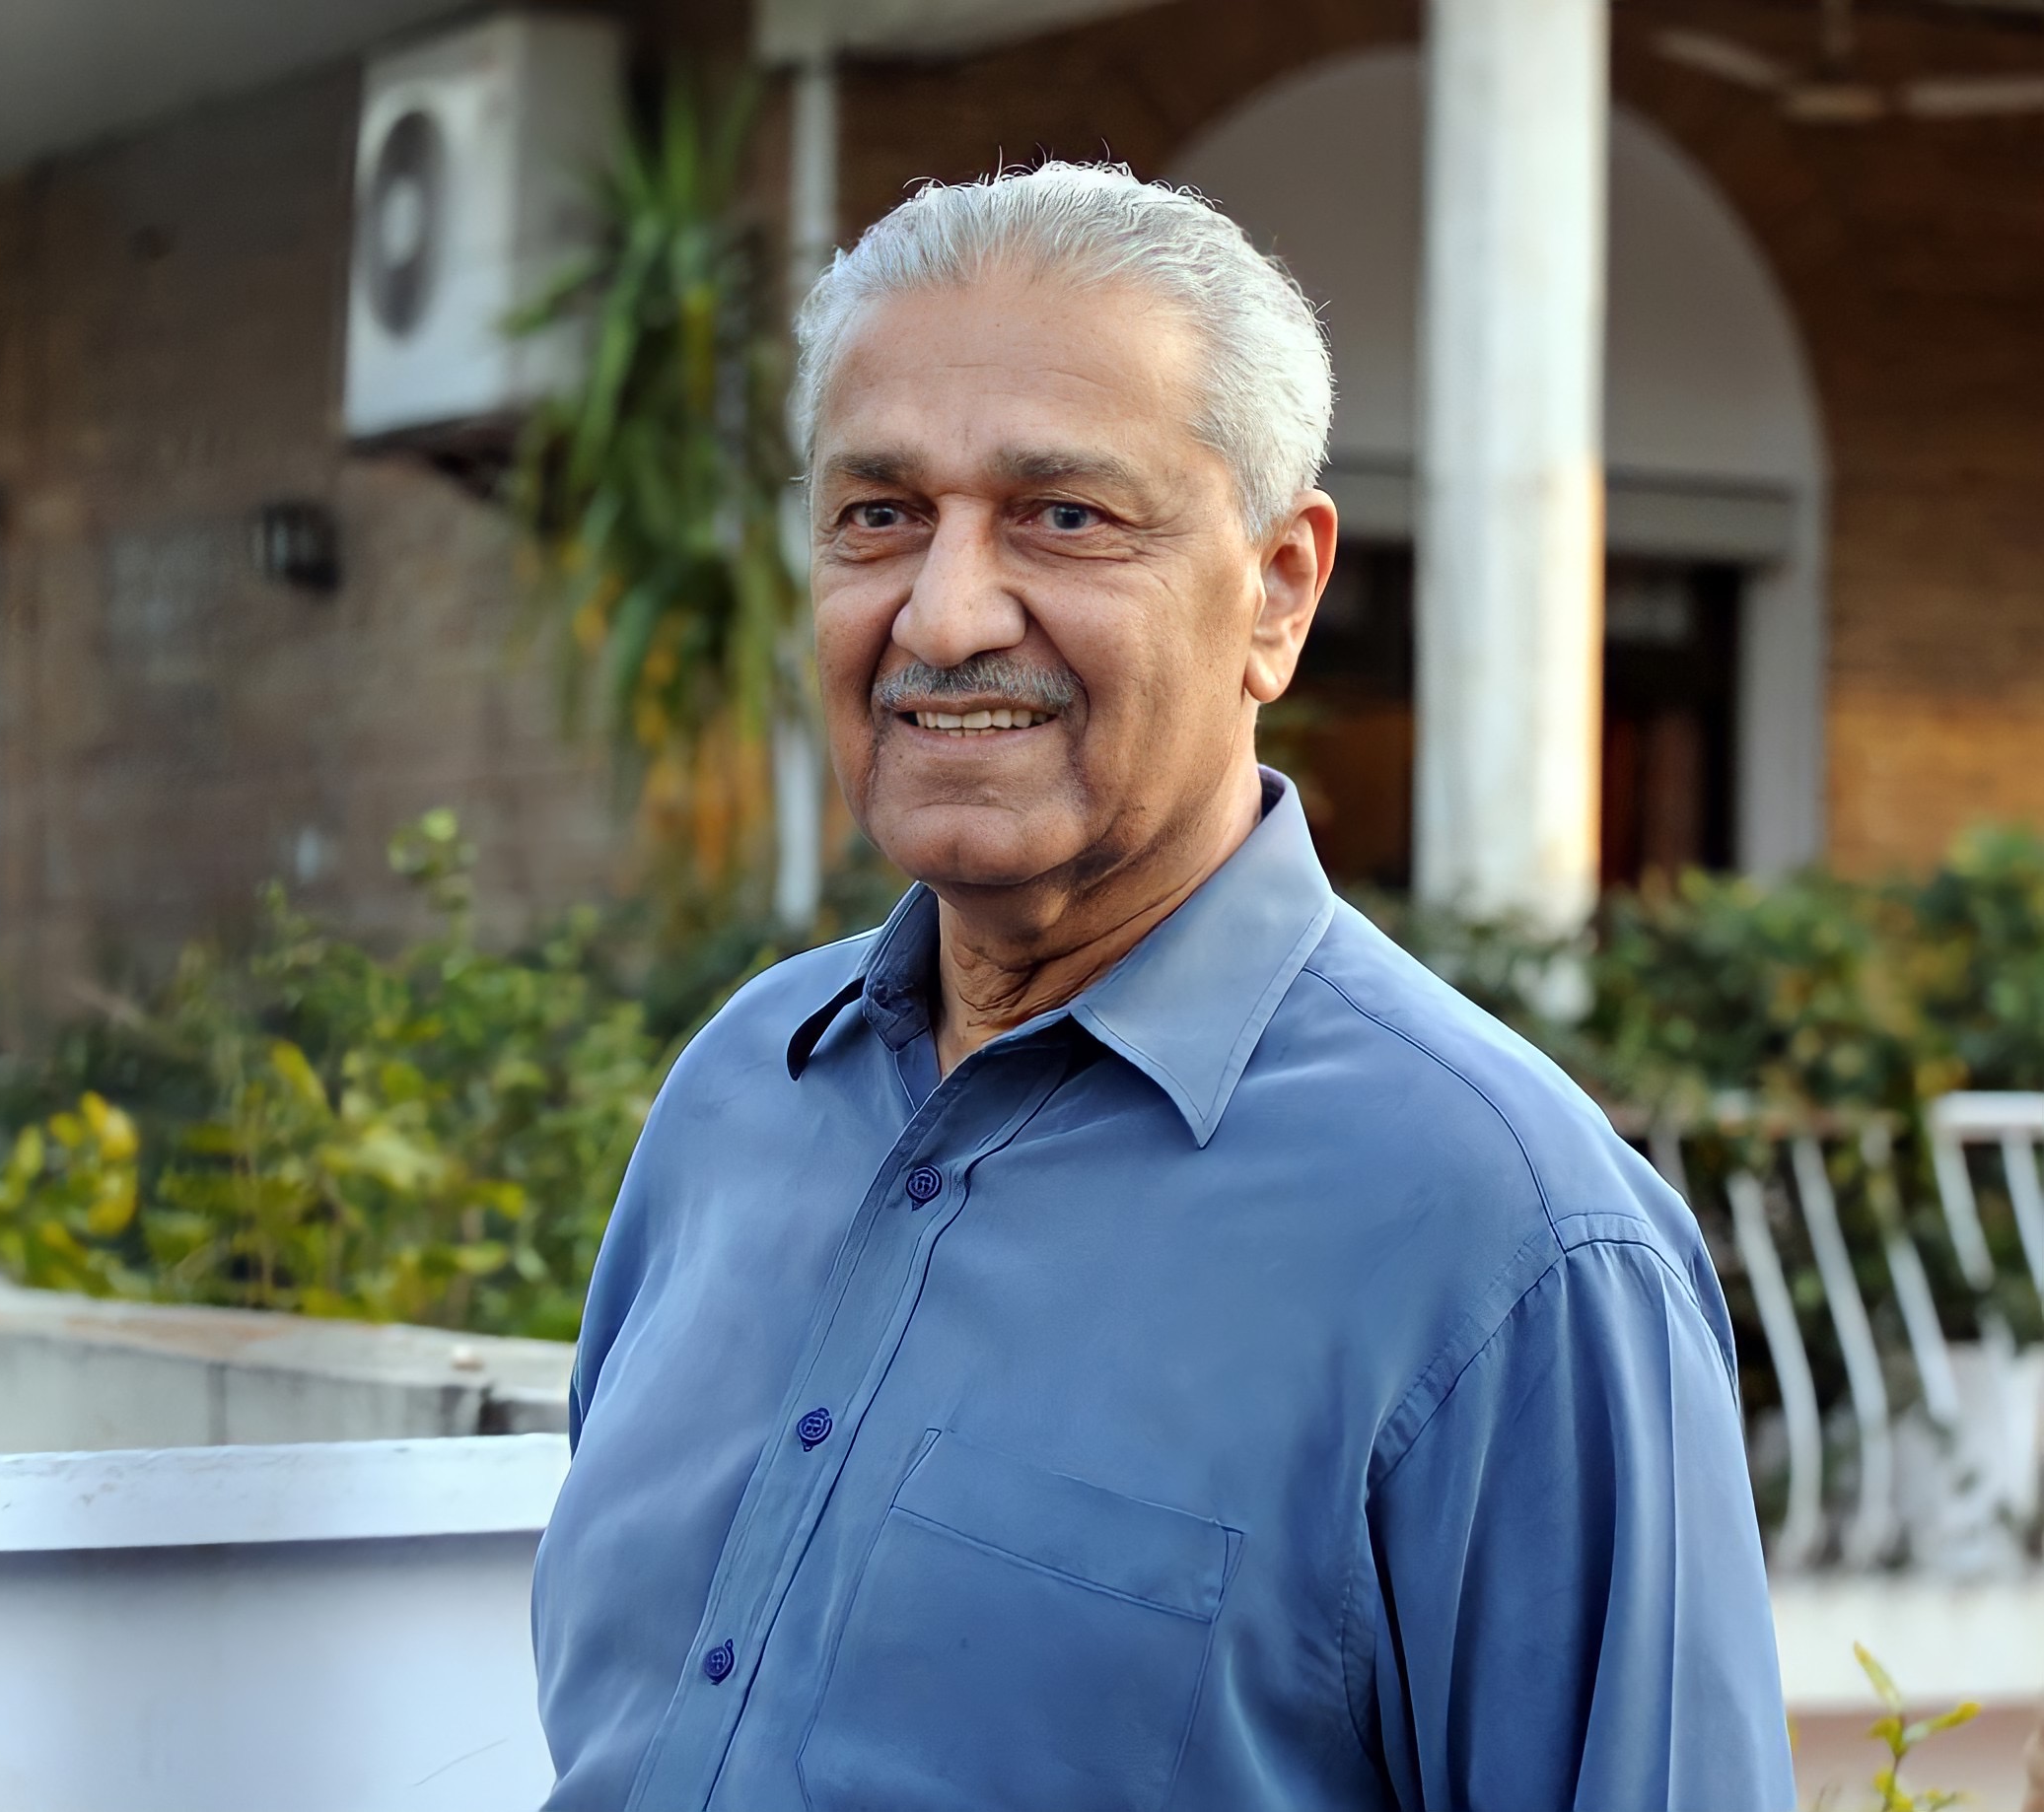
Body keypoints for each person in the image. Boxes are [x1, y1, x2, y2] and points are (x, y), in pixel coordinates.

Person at [529, 161, 1795, 1811]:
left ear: (1280, 588)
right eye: (879, 513)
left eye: (1064, 515)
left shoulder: (1511, 1248)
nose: (944, 611)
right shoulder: (738, 1095)